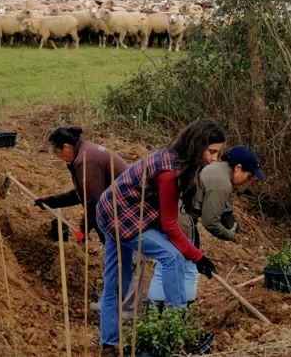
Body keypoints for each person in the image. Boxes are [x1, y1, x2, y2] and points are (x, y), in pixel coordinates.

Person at [96, 119, 226, 357]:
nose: (214, 159)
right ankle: (179, 333)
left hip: (111, 208)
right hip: (122, 215)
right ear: (197, 145)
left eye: (217, 153)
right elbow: (170, 226)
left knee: (118, 284)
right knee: (172, 257)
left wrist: (197, 257)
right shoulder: (169, 172)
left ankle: (110, 345)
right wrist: (198, 257)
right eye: (212, 152)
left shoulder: (177, 159)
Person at [33, 126, 142, 318]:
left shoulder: (87, 161)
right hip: (118, 213)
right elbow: (81, 194)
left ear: (66, 147)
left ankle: (124, 312)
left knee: (123, 262)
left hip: (126, 215)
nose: (55, 155)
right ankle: (112, 305)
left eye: (55, 151)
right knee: (117, 261)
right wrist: (50, 201)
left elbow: (94, 202)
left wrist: (84, 229)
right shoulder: (84, 153)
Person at [146, 145, 265, 307]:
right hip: (181, 217)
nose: (248, 181)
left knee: (163, 267)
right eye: (249, 175)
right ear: (238, 168)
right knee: (189, 270)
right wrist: (229, 234)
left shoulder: (215, 167)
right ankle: (179, 322)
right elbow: (211, 222)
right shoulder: (223, 183)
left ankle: (154, 320)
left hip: (167, 210)